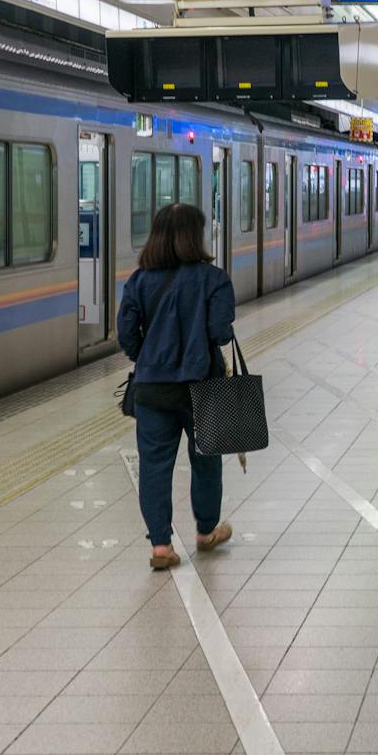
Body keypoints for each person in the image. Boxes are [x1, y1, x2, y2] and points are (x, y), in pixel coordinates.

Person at [119, 203, 237, 570]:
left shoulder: (138, 281)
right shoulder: (214, 279)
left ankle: (160, 547)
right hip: (201, 386)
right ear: (194, 236)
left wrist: (151, 357)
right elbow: (220, 333)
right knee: (206, 458)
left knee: (154, 465)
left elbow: (126, 337)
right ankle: (205, 532)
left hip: (153, 389)